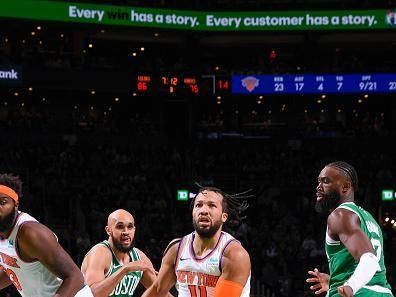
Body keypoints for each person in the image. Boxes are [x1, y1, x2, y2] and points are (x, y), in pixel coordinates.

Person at [142, 186, 251, 297]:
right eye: (198, 205)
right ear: (193, 213)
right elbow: (157, 291)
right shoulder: (176, 249)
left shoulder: (235, 255)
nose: (204, 210)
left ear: (224, 217)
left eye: (212, 205)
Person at [306, 161, 394, 297]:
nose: (318, 187)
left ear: (345, 187)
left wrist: (350, 286)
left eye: (325, 181)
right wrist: (335, 281)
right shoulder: (368, 218)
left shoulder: (340, 215)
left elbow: (369, 260)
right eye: (318, 182)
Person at [0, 173, 93, 297]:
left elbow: (75, 277)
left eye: (2, 202)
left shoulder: (30, 233)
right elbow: (15, 267)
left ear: (16, 204)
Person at [81, 209, 173, 297]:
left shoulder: (139, 256)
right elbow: (91, 294)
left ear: (134, 230)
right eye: (120, 226)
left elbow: (160, 291)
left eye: (130, 227)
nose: (126, 232)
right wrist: (125, 269)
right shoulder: (100, 253)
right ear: (108, 230)